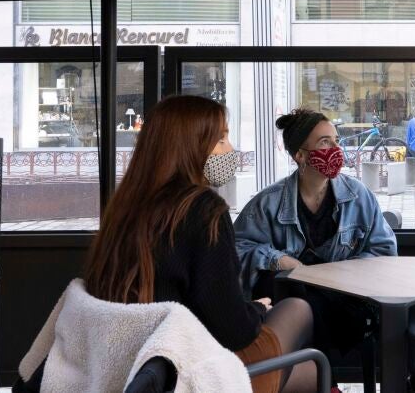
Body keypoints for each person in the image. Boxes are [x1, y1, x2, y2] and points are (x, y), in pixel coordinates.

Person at [83, 95, 316, 393]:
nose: (230, 149)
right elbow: (233, 331)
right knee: (298, 309)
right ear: (188, 147)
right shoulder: (204, 210)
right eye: (221, 140)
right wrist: (257, 310)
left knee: (309, 372)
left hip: (139, 370)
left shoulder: (124, 206)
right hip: (191, 370)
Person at [235, 108, 397, 355]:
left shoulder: (358, 196)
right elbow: (236, 250)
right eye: (324, 142)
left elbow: (384, 251)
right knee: (290, 291)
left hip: (345, 300)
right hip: (289, 301)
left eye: (336, 141)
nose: (336, 149)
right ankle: (313, 372)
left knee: (317, 303)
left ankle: (289, 368)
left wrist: (341, 273)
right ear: (300, 155)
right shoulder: (267, 203)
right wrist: (279, 260)